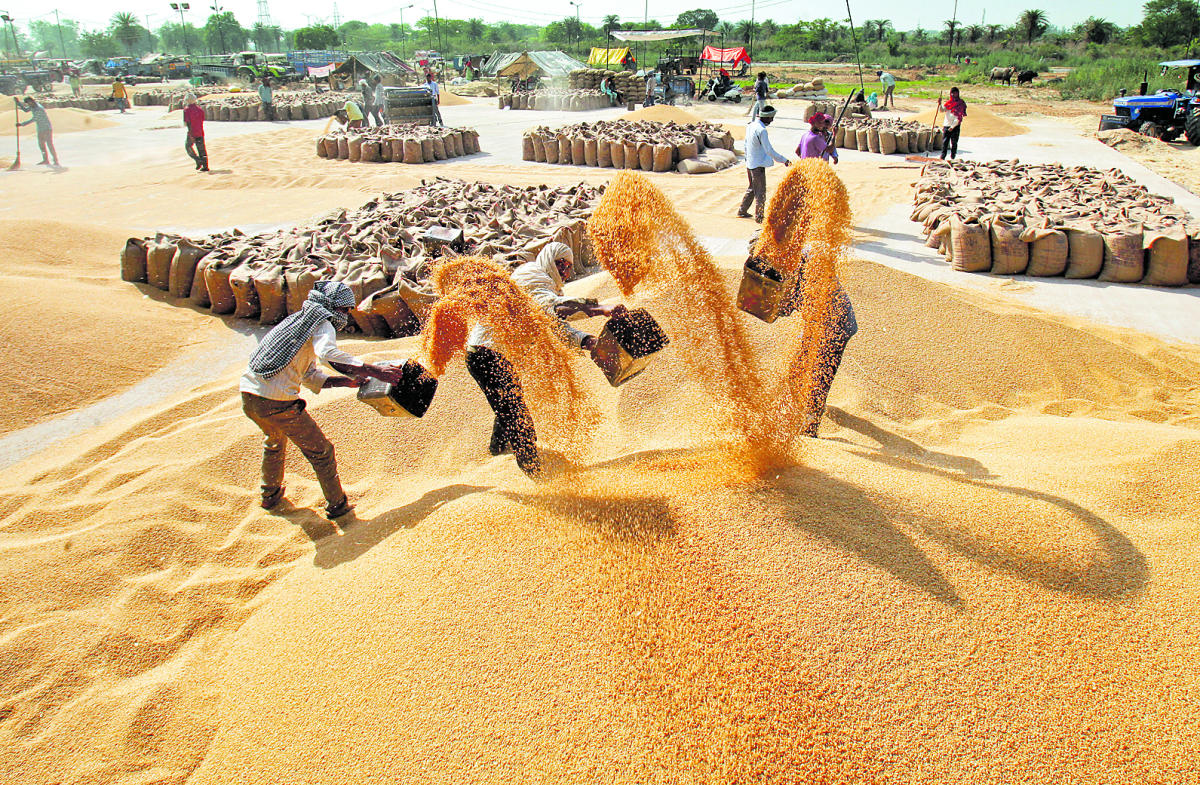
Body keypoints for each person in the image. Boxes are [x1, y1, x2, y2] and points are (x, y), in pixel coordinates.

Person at [240, 280, 407, 519]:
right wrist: (374, 371)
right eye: (345, 310)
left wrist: (346, 382)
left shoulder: (296, 323)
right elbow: (328, 355)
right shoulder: (322, 322)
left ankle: (269, 495)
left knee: (274, 440)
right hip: (277, 403)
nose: (347, 316)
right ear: (333, 306)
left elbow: (308, 375)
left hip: (250, 398)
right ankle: (338, 507)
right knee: (322, 452)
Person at [465, 242, 621, 479]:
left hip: (499, 356)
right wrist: (599, 309)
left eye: (568, 267)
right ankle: (538, 478)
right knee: (517, 416)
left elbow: (555, 326)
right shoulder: (531, 274)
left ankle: (497, 455)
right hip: (486, 353)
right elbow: (550, 308)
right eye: (561, 264)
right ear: (549, 260)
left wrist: (589, 342)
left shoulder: (547, 286)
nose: (565, 272)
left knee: (509, 404)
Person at [737, 105, 789, 223]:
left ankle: (742, 210)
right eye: (771, 118)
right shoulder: (762, 130)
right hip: (757, 165)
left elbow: (746, 144)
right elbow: (769, 150)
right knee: (760, 192)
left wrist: (747, 159)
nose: (772, 120)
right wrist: (784, 160)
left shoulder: (751, 125)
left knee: (752, 187)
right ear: (766, 117)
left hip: (750, 162)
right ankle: (759, 216)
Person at [17, 97, 59, 167]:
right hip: (40, 129)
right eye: (27, 103)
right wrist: (18, 103)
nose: (29, 104)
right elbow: (26, 110)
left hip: (47, 129)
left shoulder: (39, 108)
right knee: (41, 145)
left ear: (33, 101)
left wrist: (22, 124)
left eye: (29, 102)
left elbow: (34, 119)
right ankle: (45, 160)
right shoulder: (32, 107)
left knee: (49, 145)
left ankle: (55, 160)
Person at [182, 93, 208, 172]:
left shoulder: (187, 110)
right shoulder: (200, 109)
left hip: (192, 133)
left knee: (188, 147)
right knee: (202, 149)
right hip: (200, 131)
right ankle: (205, 166)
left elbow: (188, 123)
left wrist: (190, 134)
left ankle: (197, 160)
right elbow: (202, 120)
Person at [940, 86, 967, 160]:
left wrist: (952, 127)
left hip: (955, 127)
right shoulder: (948, 103)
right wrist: (939, 104)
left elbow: (958, 118)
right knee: (945, 143)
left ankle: (953, 157)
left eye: (955, 93)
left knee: (954, 143)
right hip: (946, 125)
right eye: (952, 93)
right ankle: (942, 157)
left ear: (957, 93)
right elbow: (942, 110)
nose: (953, 94)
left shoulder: (960, 103)